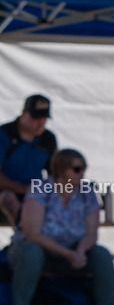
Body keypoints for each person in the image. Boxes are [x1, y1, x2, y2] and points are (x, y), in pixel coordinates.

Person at [6, 149, 114, 305]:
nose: (82, 174)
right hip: (39, 251)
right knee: (31, 252)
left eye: (84, 169)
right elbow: (32, 234)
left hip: (73, 252)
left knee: (101, 255)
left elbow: (91, 233)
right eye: (77, 169)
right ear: (61, 170)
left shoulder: (87, 193)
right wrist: (69, 254)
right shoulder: (40, 190)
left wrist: (80, 251)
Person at [0, 95, 58, 225]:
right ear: (23, 114)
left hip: (35, 195)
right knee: (8, 197)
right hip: (4, 194)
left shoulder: (48, 139)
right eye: (36, 118)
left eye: (44, 119)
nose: (40, 124)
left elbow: (55, 174)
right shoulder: (4, 134)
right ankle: (24, 231)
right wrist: (22, 188)